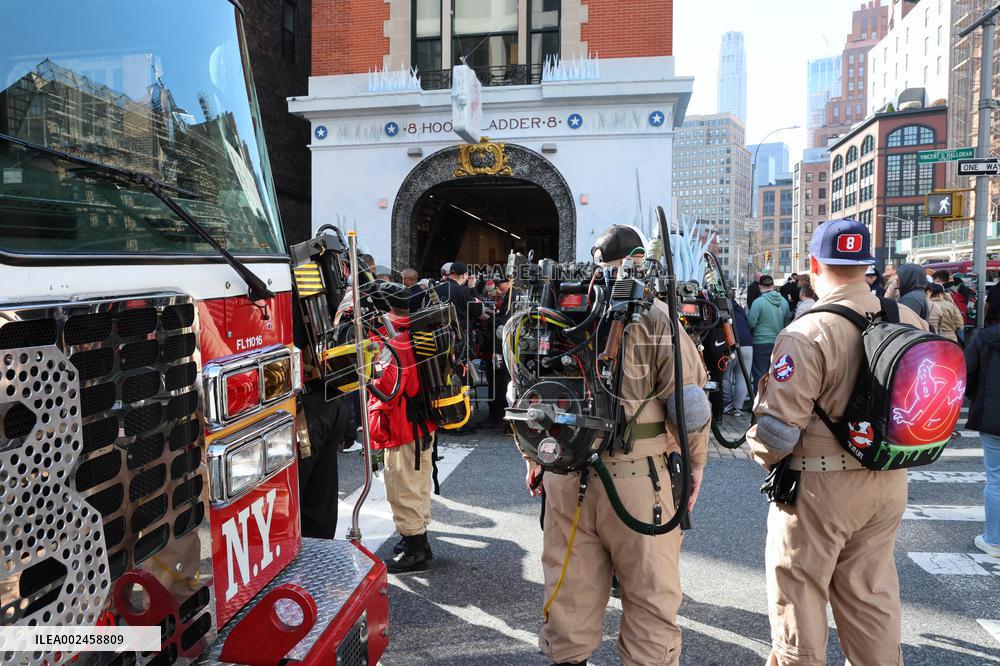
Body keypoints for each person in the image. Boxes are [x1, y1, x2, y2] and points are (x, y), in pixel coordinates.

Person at [746, 218, 928, 665]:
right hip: (888, 478)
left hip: (819, 489)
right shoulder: (907, 318)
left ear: (813, 265)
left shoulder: (807, 332)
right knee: (871, 596)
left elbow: (778, 433)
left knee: (800, 596)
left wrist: (754, 446)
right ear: (867, 266)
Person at [530, 224, 712, 666]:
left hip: (566, 475)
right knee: (650, 599)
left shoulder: (557, 312)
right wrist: (695, 468)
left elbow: (529, 395)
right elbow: (690, 409)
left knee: (569, 591)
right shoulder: (657, 318)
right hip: (639, 484)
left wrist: (534, 458)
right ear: (638, 261)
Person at [367, 283, 439, 573]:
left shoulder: (390, 338)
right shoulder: (424, 330)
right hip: (425, 420)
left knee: (402, 488)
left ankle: (415, 550)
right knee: (419, 485)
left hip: (402, 423)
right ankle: (419, 538)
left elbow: (388, 387)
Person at [965, 320, 1000, 558]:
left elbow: (967, 374)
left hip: (993, 415)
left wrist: (978, 397)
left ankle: (995, 540)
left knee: (996, 479)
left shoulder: (984, 338)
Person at [748, 275, 791, 388]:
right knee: (777, 372)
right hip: (778, 342)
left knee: (759, 374)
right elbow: (787, 322)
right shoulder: (784, 302)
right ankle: (773, 399)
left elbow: (751, 323)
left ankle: (759, 400)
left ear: (760, 287)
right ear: (772, 286)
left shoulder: (758, 302)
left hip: (760, 342)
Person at [723, 287, 753, 414]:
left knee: (725, 376)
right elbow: (749, 324)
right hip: (747, 345)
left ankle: (728, 403)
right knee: (743, 377)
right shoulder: (740, 309)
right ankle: (737, 407)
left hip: (731, 345)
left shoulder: (721, 310)